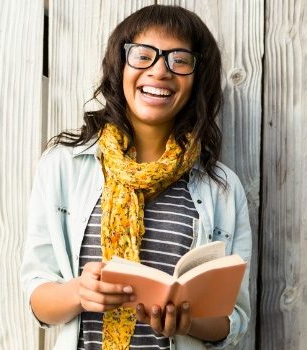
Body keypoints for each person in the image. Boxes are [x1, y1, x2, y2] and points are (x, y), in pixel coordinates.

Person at [20, 5, 252, 350]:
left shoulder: (223, 188)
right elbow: (38, 298)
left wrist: (188, 321)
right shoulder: (62, 166)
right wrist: (78, 292)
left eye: (180, 60)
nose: (160, 71)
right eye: (143, 55)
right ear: (120, 66)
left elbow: (233, 321)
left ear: (197, 78)